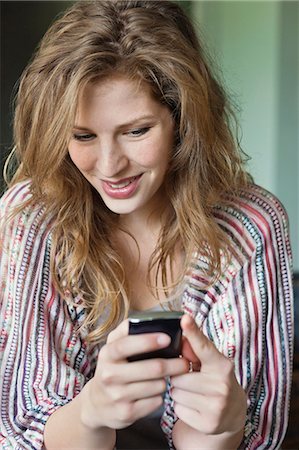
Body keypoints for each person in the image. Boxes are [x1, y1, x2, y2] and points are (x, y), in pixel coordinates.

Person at [0, 1, 293, 449]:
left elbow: (250, 435)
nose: (110, 165)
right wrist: (93, 412)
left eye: (136, 131)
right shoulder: (33, 219)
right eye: (83, 136)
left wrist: (226, 426)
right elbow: (22, 430)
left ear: (182, 120)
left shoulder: (251, 227)